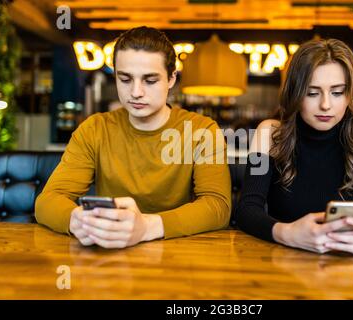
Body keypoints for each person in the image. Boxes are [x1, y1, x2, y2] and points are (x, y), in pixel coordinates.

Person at [35, 26, 231, 248]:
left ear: (171, 79)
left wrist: (147, 227)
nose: (136, 92)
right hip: (109, 258)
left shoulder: (202, 131)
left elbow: (218, 207)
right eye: (125, 79)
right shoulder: (94, 129)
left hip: (178, 256)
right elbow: (47, 201)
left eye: (150, 80)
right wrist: (77, 221)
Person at [235, 39, 353, 257]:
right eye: (312, 93)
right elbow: (247, 209)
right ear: (296, 93)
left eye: (337, 92)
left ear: (350, 93)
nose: (325, 105)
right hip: (282, 256)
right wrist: (287, 233)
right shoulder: (268, 133)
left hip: (340, 260)